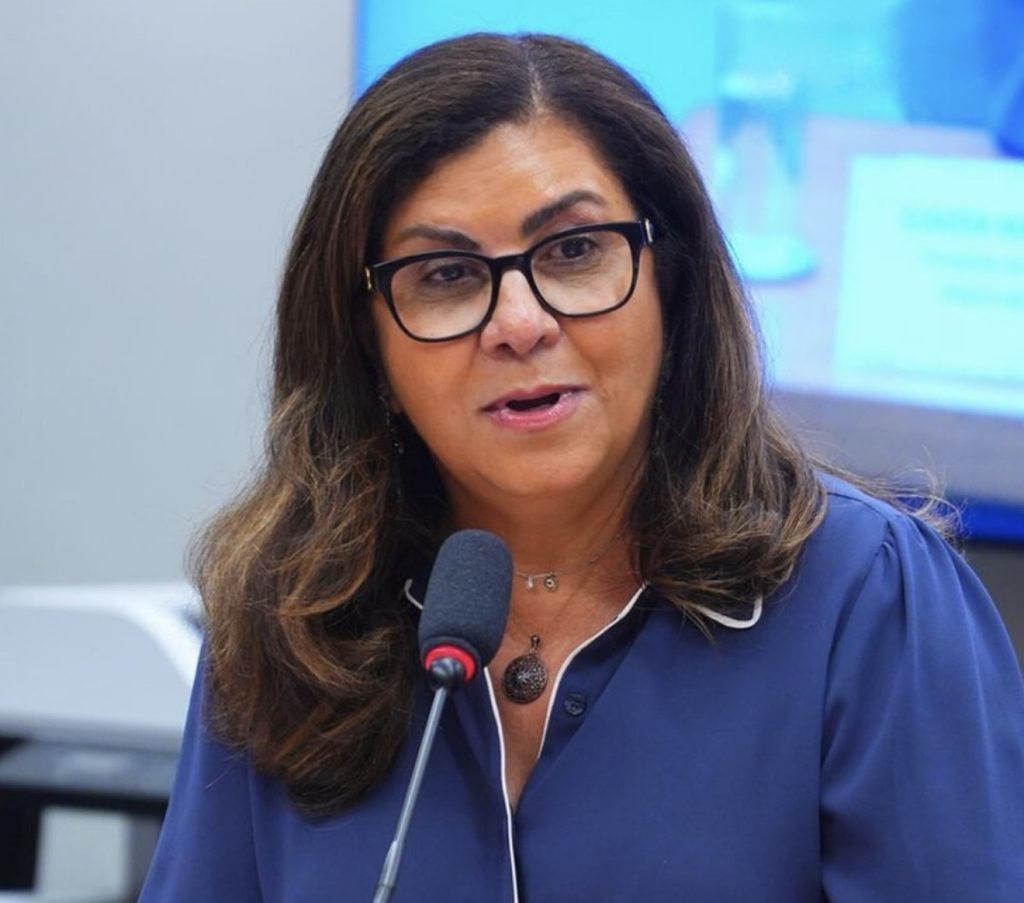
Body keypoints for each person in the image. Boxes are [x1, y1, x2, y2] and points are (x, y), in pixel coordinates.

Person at [140, 33, 1024, 901]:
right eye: (445, 274)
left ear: (670, 282)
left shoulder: (867, 600)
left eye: (573, 251)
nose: (519, 324)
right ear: (366, 344)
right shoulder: (296, 621)